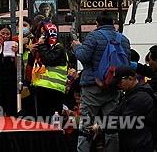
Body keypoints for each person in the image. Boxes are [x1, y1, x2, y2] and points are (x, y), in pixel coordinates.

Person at [72, 10, 131, 152]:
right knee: (111, 125)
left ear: (97, 23)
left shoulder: (93, 36)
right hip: (113, 87)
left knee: (86, 124)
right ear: (113, 23)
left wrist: (76, 47)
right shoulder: (123, 39)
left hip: (93, 86)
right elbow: (126, 62)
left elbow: (83, 56)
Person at [101, 67, 154, 152]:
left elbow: (125, 121)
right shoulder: (130, 94)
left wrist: (101, 126)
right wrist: (102, 121)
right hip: (130, 144)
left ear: (131, 78)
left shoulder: (141, 97)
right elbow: (117, 112)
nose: (118, 85)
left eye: (120, 82)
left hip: (140, 146)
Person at [30, 20, 68, 117]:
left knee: (52, 120)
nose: (42, 36)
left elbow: (48, 59)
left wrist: (41, 46)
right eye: (41, 33)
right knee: (41, 120)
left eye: (44, 33)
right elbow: (33, 65)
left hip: (54, 89)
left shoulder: (58, 47)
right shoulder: (44, 48)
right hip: (40, 88)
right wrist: (32, 51)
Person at [0, 26, 19, 116]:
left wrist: (15, 54)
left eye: (8, 34)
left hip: (11, 82)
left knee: (11, 109)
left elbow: (18, 67)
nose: (5, 36)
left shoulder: (14, 45)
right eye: (2, 33)